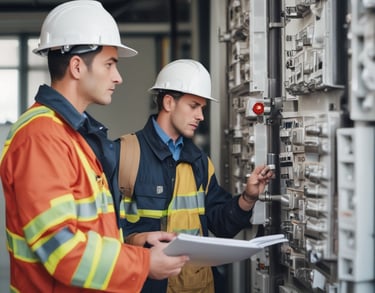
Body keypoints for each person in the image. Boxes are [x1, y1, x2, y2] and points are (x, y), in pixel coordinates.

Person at [0, 1, 188, 292]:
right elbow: (61, 250)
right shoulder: (41, 137)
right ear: (77, 66)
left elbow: (87, 232)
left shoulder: (73, 135)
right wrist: (143, 263)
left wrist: (134, 242)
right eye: (109, 64)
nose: (118, 77)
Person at [118, 59, 274, 293]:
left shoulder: (199, 161)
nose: (201, 116)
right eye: (193, 106)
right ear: (169, 102)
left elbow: (220, 225)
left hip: (196, 287)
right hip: (144, 285)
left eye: (203, 108)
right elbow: (102, 229)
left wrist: (248, 198)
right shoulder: (125, 154)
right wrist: (136, 240)